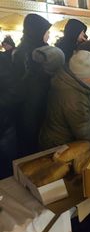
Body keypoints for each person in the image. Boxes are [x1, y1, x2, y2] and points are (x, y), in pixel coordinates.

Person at [39, 50, 90, 149]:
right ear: (82, 76)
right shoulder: (75, 99)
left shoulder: (66, 79)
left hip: (53, 136)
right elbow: (85, 133)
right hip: (60, 145)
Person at [12, 13, 52, 156]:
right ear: (38, 32)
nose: (48, 36)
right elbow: (27, 87)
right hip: (30, 110)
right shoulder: (26, 54)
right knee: (31, 147)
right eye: (47, 32)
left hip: (36, 106)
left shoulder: (38, 49)